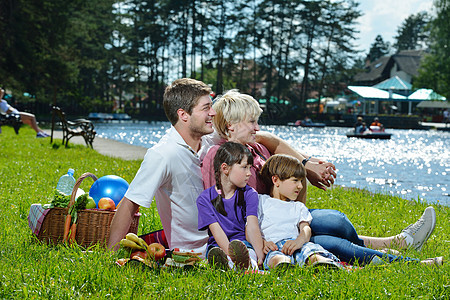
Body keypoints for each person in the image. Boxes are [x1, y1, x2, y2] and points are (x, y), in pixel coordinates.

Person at [201, 90, 437, 261]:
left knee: (337, 221)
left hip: (282, 216)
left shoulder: (257, 148)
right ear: (231, 125)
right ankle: (393, 247)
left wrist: (306, 168)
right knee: (330, 233)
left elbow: (280, 151)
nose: (257, 127)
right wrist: (257, 241)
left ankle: (393, 245)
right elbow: (220, 209)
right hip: (263, 228)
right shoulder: (218, 157)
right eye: (252, 121)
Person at [108, 79, 335, 254]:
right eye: (206, 108)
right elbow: (130, 203)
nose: (214, 113)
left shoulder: (207, 137)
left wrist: (307, 164)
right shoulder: (163, 155)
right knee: (322, 230)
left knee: (322, 227)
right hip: (203, 246)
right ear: (183, 115)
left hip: (237, 228)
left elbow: (261, 136)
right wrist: (112, 255)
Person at [258, 154, 342, 270]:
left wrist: (300, 241)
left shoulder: (298, 207)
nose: (300, 186)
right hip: (274, 246)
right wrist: (262, 242)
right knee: (275, 257)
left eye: (301, 181)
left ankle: (322, 264)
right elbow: (251, 227)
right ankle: (283, 266)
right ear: (276, 180)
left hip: (296, 244)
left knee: (311, 252)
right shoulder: (261, 201)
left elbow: (305, 228)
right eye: (295, 181)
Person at [196, 142, 264, 270]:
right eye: (244, 167)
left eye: (250, 168)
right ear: (225, 168)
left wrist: (260, 255)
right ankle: (229, 264)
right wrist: (230, 253)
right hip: (218, 247)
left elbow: (252, 226)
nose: (249, 173)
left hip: (243, 245)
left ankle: (248, 266)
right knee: (218, 254)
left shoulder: (249, 194)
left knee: (249, 254)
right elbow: (217, 232)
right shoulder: (204, 199)